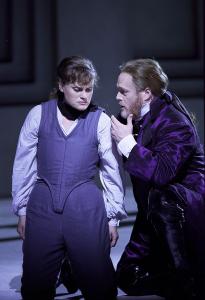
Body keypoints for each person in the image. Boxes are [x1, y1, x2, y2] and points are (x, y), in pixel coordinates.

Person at [12, 55, 127, 300]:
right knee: (34, 287)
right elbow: (23, 164)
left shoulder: (101, 121)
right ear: (61, 86)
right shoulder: (38, 115)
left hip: (85, 207)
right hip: (43, 206)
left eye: (88, 89)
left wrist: (113, 218)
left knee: (99, 285)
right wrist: (22, 209)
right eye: (77, 89)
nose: (84, 95)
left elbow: (112, 171)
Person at [111, 58, 205, 300]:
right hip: (153, 213)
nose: (118, 97)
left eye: (124, 92)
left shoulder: (174, 122)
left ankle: (187, 282)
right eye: (117, 91)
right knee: (127, 276)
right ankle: (177, 280)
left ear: (146, 93)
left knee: (161, 197)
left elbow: (163, 173)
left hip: (184, 212)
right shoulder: (134, 120)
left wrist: (127, 144)